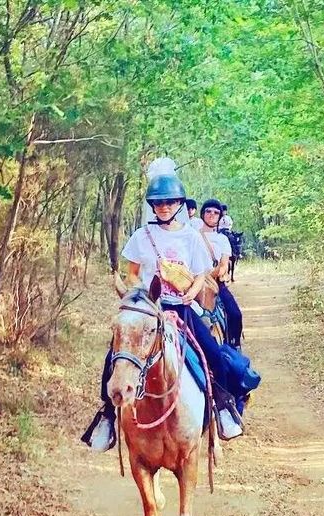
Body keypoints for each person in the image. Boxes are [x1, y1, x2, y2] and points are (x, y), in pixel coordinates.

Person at [83, 160, 249, 452]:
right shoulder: (141, 236)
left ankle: (222, 408)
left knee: (212, 353)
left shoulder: (190, 237)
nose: (163, 207)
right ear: (152, 205)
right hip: (150, 308)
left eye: (169, 202)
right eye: (158, 203)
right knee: (114, 355)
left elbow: (200, 274)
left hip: (181, 307)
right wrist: (142, 291)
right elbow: (132, 272)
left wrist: (190, 294)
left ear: (179, 204)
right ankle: (107, 416)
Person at [198, 199, 243, 348]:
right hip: (191, 285)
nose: (212, 215)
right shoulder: (192, 236)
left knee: (235, 314)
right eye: (208, 211)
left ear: (220, 217)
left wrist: (207, 277)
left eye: (216, 213)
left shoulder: (222, 239)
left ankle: (233, 346)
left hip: (216, 283)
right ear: (202, 214)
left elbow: (224, 265)